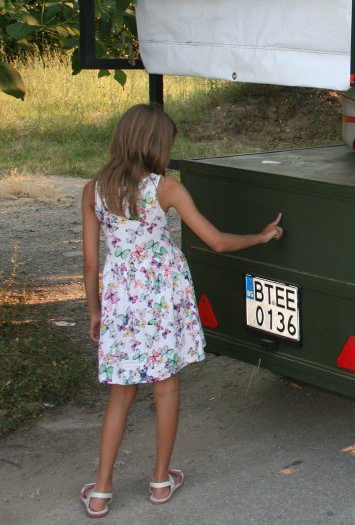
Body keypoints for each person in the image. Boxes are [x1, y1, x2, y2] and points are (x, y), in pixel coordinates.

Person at [80, 103, 283, 518]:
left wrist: (94, 312)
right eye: (167, 143)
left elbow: (88, 263)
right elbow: (218, 242)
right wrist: (261, 237)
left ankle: (100, 491)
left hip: (120, 299)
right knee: (166, 386)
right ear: (154, 144)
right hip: (161, 296)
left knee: (121, 393)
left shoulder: (93, 189)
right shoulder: (164, 188)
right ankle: (159, 480)